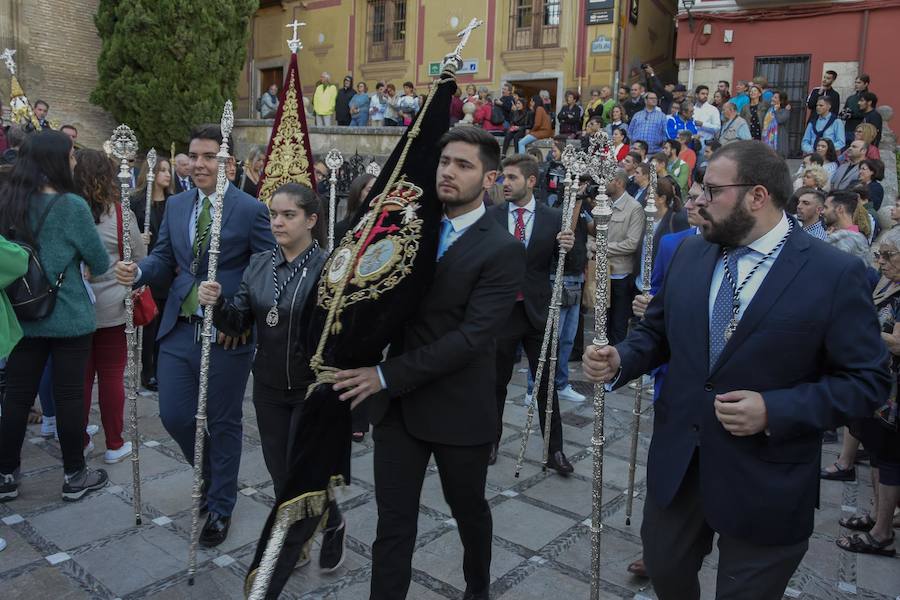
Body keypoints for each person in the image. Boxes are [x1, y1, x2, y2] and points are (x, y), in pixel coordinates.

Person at [582, 140, 889, 600]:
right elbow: (658, 334)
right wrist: (622, 358)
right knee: (665, 571)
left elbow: (869, 382)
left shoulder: (834, 273)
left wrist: (774, 409)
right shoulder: (690, 253)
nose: (699, 200)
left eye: (711, 190)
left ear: (757, 196)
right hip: (681, 467)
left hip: (767, 480)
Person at [330, 127, 524, 600]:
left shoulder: (501, 249)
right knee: (393, 524)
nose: (450, 173)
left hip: (459, 410)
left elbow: (471, 339)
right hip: (399, 412)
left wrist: (383, 375)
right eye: (445, 163)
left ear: (490, 177)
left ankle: (477, 588)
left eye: (464, 165)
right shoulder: (409, 227)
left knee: (469, 512)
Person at [113, 124, 275, 546]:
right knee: (174, 414)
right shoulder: (180, 204)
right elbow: (165, 257)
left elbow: (262, 270)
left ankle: (220, 505)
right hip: (178, 328)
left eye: (210, 157)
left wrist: (235, 313)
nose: (199, 164)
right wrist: (138, 273)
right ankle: (210, 474)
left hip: (226, 336)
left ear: (229, 164)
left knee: (222, 422)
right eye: (195, 156)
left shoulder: (250, 209)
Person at [198, 183, 346, 576]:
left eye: (288, 215)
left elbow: (341, 336)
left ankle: (322, 527)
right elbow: (238, 323)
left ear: (311, 220)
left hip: (311, 388)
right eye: (273, 215)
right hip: (266, 386)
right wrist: (216, 306)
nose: (277, 223)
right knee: (280, 471)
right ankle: (313, 524)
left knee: (305, 470)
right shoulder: (260, 264)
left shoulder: (331, 268)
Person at [0, 130, 110, 502]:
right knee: (68, 397)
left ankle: (6, 476)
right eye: (71, 154)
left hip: (22, 312)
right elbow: (100, 261)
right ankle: (74, 475)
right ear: (54, 160)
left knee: (15, 396)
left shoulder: (9, 201)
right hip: (68, 316)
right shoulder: (73, 206)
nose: (75, 161)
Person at [488, 154, 575, 473]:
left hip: (538, 312)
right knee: (496, 383)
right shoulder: (493, 215)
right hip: (503, 313)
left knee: (546, 385)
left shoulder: (554, 218)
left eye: (511, 178)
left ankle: (555, 451)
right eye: (503, 178)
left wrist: (569, 243)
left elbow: (571, 260)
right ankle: (491, 441)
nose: (505, 183)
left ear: (531, 181)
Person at [75, 149, 147, 464]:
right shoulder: (120, 214)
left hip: (74, 305)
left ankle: (79, 441)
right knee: (111, 375)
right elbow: (141, 257)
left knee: (77, 378)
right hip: (112, 306)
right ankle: (115, 443)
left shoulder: (66, 211)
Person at [834, 229, 900, 558]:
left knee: (889, 459)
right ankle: (877, 515)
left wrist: (863, 324)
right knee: (876, 454)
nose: (881, 262)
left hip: (894, 391)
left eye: (889, 256)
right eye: (880, 255)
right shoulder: (888, 282)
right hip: (877, 381)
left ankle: (882, 532)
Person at [129, 155, 172, 391]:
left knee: (165, 320)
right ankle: (148, 370)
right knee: (149, 321)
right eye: (162, 170)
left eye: (168, 170)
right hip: (148, 267)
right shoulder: (137, 201)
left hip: (168, 270)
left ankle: (161, 366)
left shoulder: (173, 202)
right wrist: (139, 237)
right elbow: (127, 231)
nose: (167, 174)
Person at [605, 169, 644, 344]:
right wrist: (593, 246)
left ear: (619, 183)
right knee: (602, 323)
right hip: (602, 274)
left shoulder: (634, 208)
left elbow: (632, 243)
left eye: (607, 179)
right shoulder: (604, 203)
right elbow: (593, 233)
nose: (603, 183)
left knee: (618, 326)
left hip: (621, 275)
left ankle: (616, 366)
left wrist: (602, 248)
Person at [764, 90, 791, 158]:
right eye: (773, 97)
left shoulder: (785, 111)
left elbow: (780, 120)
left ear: (781, 101)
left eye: (775, 98)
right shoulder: (770, 109)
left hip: (778, 143)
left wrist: (776, 110)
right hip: (767, 141)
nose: (772, 99)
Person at [842, 74, 870, 143]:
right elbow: (844, 110)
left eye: (859, 83)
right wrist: (843, 114)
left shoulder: (869, 97)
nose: (856, 84)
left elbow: (868, 113)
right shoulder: (850, 98)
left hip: (861, 129)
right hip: (848, 129)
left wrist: (852, 115)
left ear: (866, 84)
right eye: (855, 82)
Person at [692, 85, 721, 149]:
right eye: (703, 94)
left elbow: (717, 128)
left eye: (707, 94)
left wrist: (703, 124)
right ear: (696, 95)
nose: (705, 96)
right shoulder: (692, 109)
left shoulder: (713, 109)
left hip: (705, 144)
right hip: (691, 143)